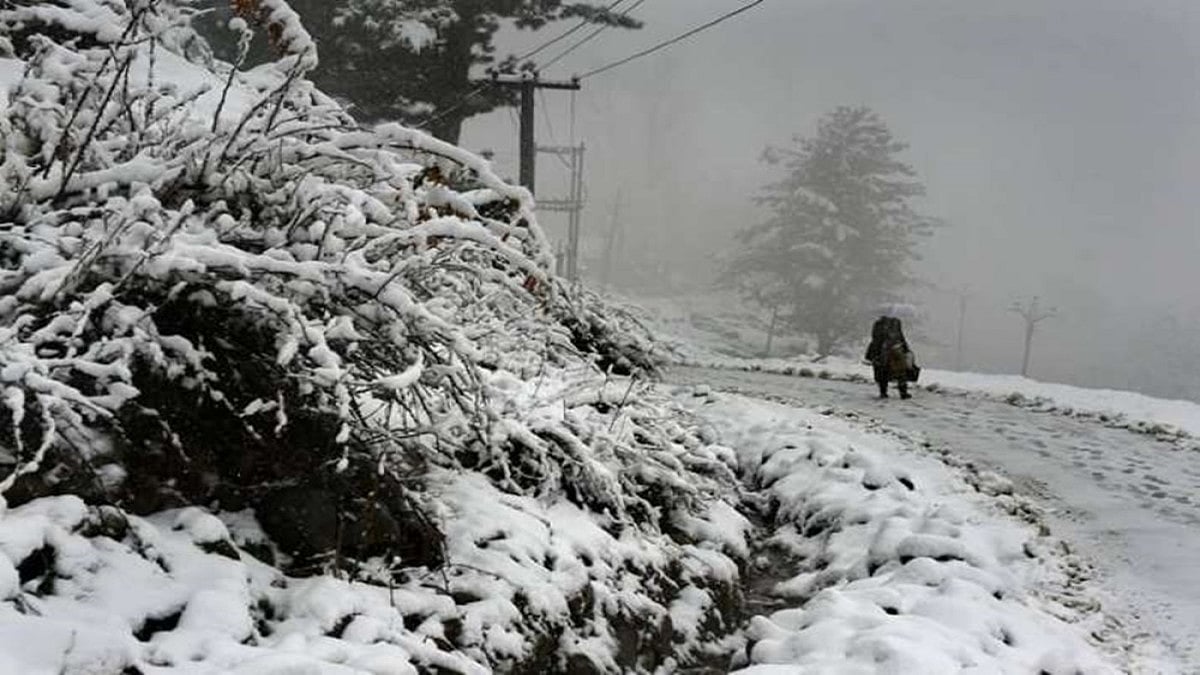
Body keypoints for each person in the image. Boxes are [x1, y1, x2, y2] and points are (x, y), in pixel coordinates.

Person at [865, 316, 914, 399]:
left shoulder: (879, 325)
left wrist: (874, 355)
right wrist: (906, 349)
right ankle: (903, 393)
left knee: (882, 373)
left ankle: (883, 392)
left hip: (882, 353)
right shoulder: (895, 324)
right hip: (895, 352)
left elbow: (875, 339)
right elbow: (901, 337)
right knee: (901, 373)